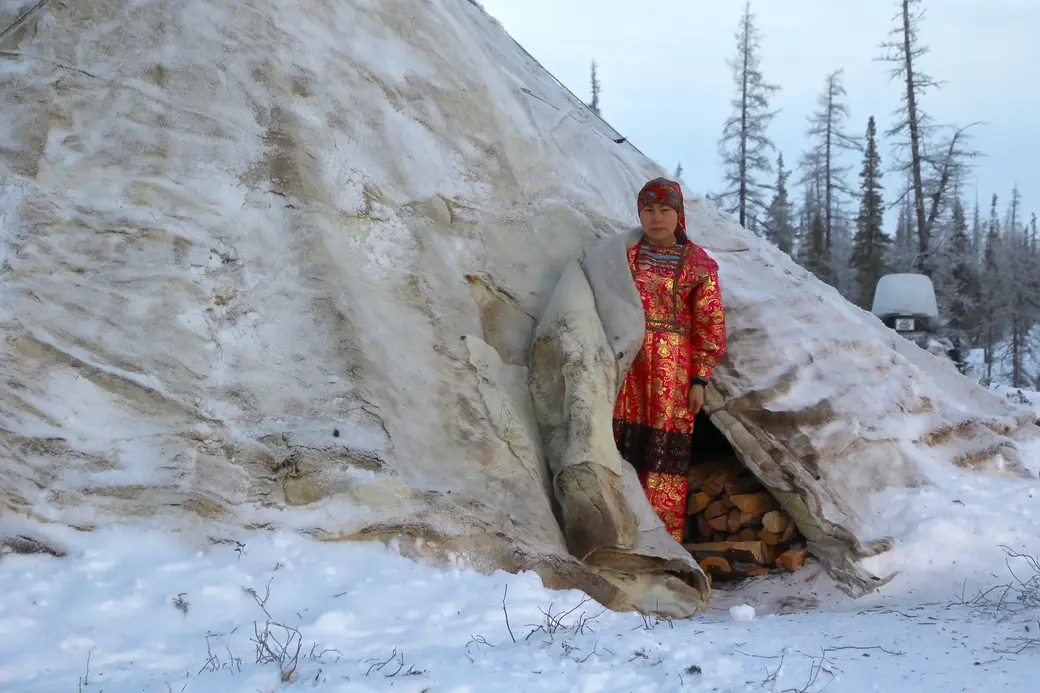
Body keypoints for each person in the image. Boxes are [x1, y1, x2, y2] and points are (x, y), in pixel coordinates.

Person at [612, 178, 728, 543]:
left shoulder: (697, 264)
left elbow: (710, 323)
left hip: (671, 372)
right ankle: (620, 532)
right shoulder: (624, 255)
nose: (656, 218)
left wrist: (700, 379)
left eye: (665, 210)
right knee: (621, 445)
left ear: (678, 215)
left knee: (663, 457)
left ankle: (662, 541)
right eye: (648, 210)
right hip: (627, 364)